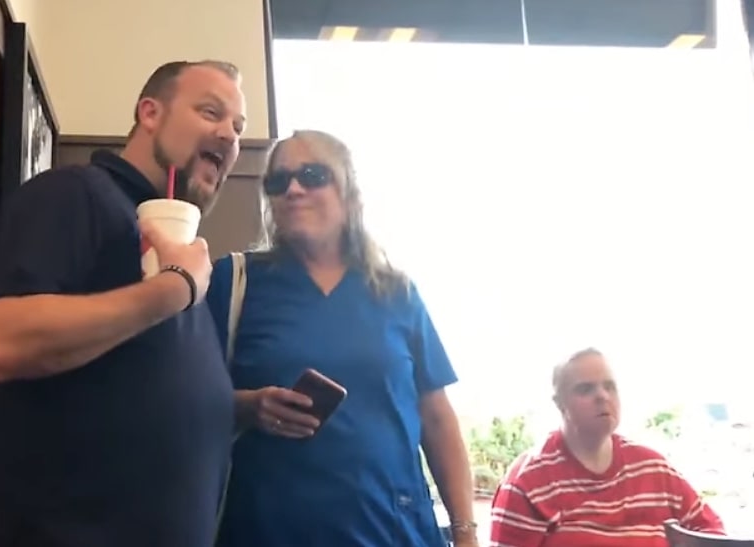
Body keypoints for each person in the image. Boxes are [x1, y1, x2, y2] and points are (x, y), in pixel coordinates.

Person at [0, 60, 247, 547]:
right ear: (150, 113)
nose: (228, 135)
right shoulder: (75, 195)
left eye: (239, 128)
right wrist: (174, 289)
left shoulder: (178, 249)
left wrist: (237, 408)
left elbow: (128, 396)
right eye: (211, 112)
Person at [206, 130, 479, 547]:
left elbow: (437, 419)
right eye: (278, 182)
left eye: (313, 175)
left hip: (395, 531)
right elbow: (182, 401)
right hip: (270, 531)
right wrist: (248, 406)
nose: (294, 189)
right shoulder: (235, 283)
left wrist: (465, 534)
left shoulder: (395, 293)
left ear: (351, 196)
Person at [489, 348, 724, 547]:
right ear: (559, 403)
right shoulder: (527, 482)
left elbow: (711, 533)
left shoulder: (654, 469)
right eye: (585, 389)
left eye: (609, 386)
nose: (602, 396)